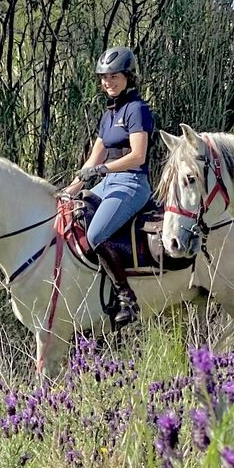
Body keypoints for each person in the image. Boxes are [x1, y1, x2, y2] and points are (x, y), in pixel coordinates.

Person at [65, 46, 156, 327]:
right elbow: (94, 157)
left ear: (128, 76)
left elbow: (137, 156)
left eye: (114, 76)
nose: (108, 82)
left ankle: (126, 296)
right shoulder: (108, 115)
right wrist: (71, 188)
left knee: (95, 234)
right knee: (74, 214)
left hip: (132, 183)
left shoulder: (137, 110)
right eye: (104, 77)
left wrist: (102, 169)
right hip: (108, 182)